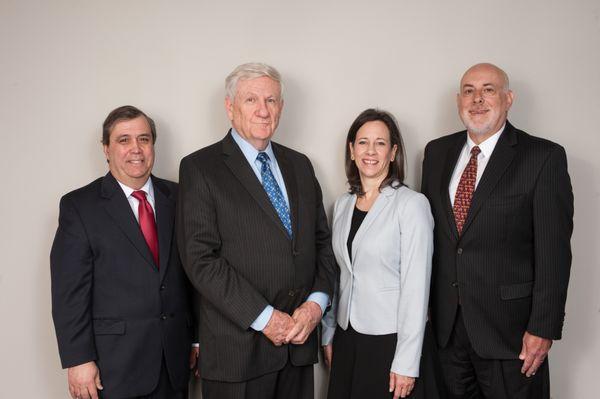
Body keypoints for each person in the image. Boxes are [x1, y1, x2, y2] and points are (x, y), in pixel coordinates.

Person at [176, 62, 337, 399]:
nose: (264, 111)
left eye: (272, 101)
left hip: (297, 346)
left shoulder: (300, 165)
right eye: (252, 100)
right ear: (230, 107)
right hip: (238, 354)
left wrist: (316, 305)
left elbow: (322, 243)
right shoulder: (200, 168)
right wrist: (265, 319)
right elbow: (200, 260)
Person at [421, 63, 574, 399]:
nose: (478, 99)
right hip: (447, 331)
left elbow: (554, 253)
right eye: (469, 90)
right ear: (457, 100)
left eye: (489, 89)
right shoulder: (436, 154)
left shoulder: (542, 158)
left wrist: (542, 327)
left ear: (508, 98)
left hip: (512, 333)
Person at [51, 105, 197, 399]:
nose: (136, 149)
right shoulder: (79, 207)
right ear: (106, 149)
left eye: (144, 139)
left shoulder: (181, 197)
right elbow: (69, 293)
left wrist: (196, 339)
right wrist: (79, 359)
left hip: (175, 361)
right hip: (115, 366)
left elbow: (195, 273)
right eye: (124, 140)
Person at [322, 109, 444, 399]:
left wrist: (406, 362)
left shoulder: (411, 205)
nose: (371, 151)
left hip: (390, 341)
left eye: (380, 143)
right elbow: (338, 274)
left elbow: (417, 288)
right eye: (363, 142)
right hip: (348, 336)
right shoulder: (342, 205)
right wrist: (328, 332)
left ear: (393, 152)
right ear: (351, 150)